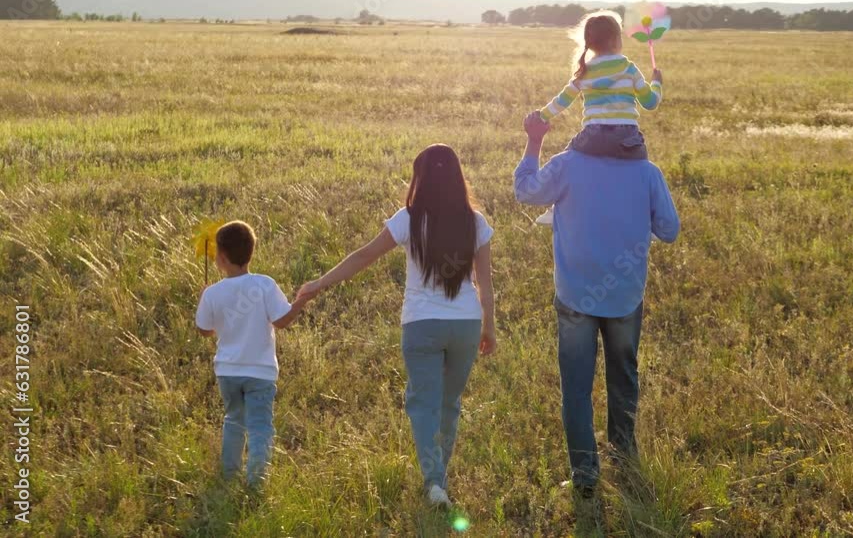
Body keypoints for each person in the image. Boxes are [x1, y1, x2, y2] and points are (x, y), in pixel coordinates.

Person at [297, 144, 496, 508]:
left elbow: (363, 256)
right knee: (449, 403)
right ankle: (440, 479)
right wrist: (489, 327)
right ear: (457, 177)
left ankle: (435, 482)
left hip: (421, 325)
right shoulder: (476, 222)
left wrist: (318, 284)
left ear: (420, 179)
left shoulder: (408, 218)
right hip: (465, 324)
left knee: (423, 403)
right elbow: (485, 280)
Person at [513, 112, 679, 498]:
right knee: (623, 378)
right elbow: (669, 231)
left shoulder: (568, 165)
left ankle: (585, 473)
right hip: (625, 296)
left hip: (574, 296)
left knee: (576, 387)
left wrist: (535, 140)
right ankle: (624, 455)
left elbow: (524, 191)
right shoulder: (648, 173)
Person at [195, 220, 314, 489]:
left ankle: (229, 476)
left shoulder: (213, 293)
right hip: (260, 372)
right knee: (260, 426)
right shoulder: (264, 285)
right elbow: (282, 321)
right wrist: (300, 302)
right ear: (251, 252)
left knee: (234, 420)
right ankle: (256, 481)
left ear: (221, 258)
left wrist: (204, 299)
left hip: (227, 372)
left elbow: (204, 330)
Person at [533, 10, 664, 225]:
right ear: (615, 40)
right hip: (627, 138)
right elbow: (650, 103)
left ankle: (557, 207)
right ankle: (649, 218)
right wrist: (657, 84)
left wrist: (543, 115)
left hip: (593, 136)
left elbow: (563, 99)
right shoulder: (628, 67)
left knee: (569, 164)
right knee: (640, 176)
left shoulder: (584, 71)